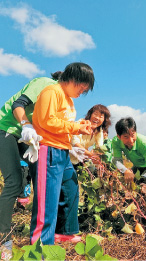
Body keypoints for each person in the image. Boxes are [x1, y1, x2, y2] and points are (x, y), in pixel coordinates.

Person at [30, 62, 94, 245]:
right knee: (46, 204)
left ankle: (64, 232)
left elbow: (62, 123)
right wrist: (76, 127)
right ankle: (40, 249)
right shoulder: (52, 91)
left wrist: (80, 126)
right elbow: (46, 120)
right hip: (48, 150)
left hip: (63, 151)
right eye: (83, 86)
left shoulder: (69, 100)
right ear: (74, 78)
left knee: (70, 189)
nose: (84, 90)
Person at [0, 74, 61, 255]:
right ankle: (4, 240)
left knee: (41, 179)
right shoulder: (46, 84)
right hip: (8, 129)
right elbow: (18, 104)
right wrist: (26, 124)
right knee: (13, 182)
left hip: (26, 139)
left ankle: (39, 239)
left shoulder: (59, 102)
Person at [112, 117, 146, 190]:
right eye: (126, 137)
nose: (131, 140)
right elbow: (117, 160)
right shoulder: (116, 141)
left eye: (133, 135)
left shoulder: (145, 143)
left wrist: (145, 178)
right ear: (119, 136)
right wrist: (125, 170)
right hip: (139, 165)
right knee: (124, 180)